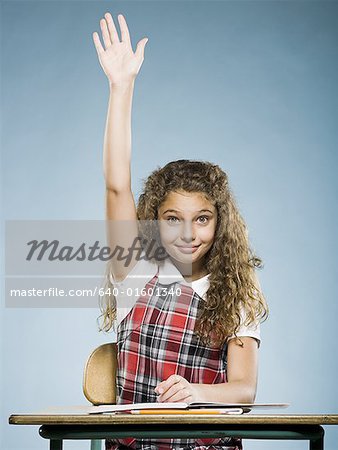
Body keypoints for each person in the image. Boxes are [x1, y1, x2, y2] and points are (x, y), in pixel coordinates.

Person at [92, 12, 268, 450]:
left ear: (219, 222)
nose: (188, 233)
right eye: (173, 219)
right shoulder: (134, 272)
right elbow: (117, 183)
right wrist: (121, 88)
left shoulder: (235, 289)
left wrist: (199, 394)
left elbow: (245, 391)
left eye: (202, 219)